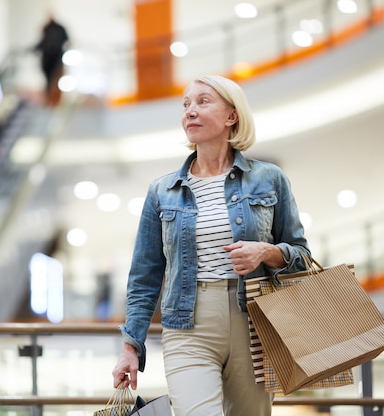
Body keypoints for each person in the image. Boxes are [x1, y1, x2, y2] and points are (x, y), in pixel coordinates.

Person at [111, 75, 311, 416]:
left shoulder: (269, 178)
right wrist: (131, 345)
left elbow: (302, 257)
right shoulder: (162, 191)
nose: (190, 111)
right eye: (186, 104)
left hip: (256, 322)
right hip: (187, 324)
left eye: (203, 101)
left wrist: (265, 252)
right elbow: (144, 276)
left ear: (232, 116)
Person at [33, 16, 69, 106]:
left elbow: (67, 40)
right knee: (49, 80)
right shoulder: (47, 28)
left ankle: (54, 100)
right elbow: (42, 42)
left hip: (56, 59)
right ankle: (49, 99)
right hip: (47, 60)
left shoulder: (59, 28)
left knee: (55, 80)